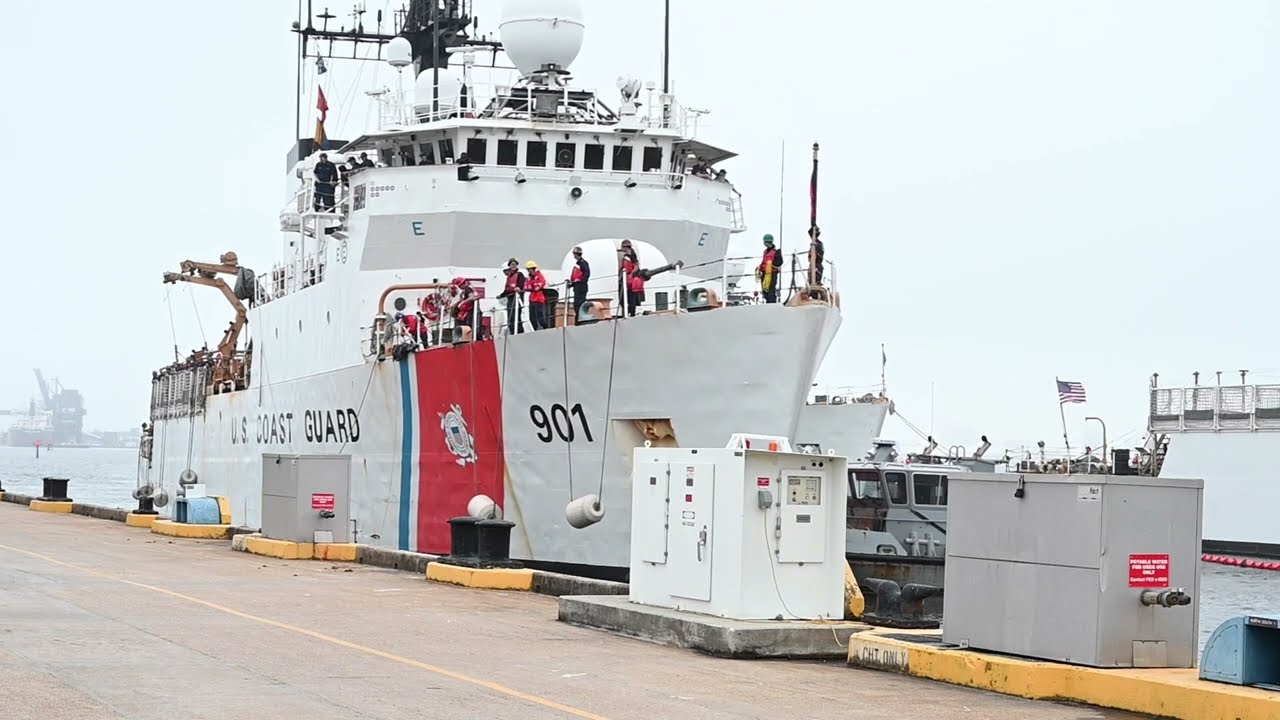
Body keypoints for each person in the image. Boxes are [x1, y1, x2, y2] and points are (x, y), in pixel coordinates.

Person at [498, 258, 525, 334]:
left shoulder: (520, 274)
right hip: (510, 298)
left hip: (517, 298)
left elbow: (521, 285)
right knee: (510, 316)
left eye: (514, 264)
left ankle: (520, 332)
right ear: (509, 266)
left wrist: (518, 288)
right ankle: (512, 331)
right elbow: (507, 289)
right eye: (511, 264)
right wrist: (501, 295)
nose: (513, 266)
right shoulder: (509, 277)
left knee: (517, 316)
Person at [756, 233, 783, 303]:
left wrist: (771, 265)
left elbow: (778, 263)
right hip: (764, 273)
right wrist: (760, 267)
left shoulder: (776, 252)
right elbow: (764, 261)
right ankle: (767, 301)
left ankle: (772, 303)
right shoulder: (765, 252)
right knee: (765, 290)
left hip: (772, 273)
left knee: (771, 290)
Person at [620, 240, 642, 317]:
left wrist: (631, 274)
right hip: (626, 278)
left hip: (630, 280)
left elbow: (636, 266)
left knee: (631, 296)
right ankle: (627, 311)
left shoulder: (631, 256)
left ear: (625, 247)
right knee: (625, 297)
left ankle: (631, 312)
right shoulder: (627, 255)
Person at [525, 260, 549, 330]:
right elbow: (527, 286)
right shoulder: (529, 278)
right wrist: (533, 287)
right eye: (528, 270)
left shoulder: (539, 276)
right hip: (532, 299)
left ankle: (545, 328)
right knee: (532, 317)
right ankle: (535, 329)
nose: (529, 271)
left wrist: (535, 286)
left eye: (530, 269)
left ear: (534, 268)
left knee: (540, 316)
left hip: (538, 299)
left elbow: (541, 283)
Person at [569, 246, 590, 318]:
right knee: (576, 305)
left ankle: (580, 319)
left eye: (575, 254)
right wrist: (572, 284)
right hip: (577, 287)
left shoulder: (583, 263)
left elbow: (586, 274)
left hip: (581, 287)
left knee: (580, 304)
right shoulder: (578, 264)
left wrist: (580, 281)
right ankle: (578, 319)